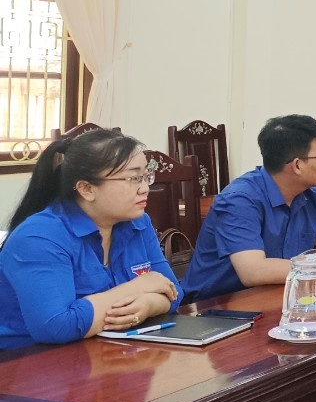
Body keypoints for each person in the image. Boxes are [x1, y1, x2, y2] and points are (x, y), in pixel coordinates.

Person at [183, 114, 316, 301]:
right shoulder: (240, 200)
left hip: (279, 295)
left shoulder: (313, 194)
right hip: (214, 308)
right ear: (297, 165)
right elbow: (253, 271)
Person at [0, 130, 183, 350]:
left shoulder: (137, 222)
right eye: (134, 178)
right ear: (86, 189)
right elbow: (56, 326)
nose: (145, 188)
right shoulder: (39, 237)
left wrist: (150, 304)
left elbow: (174, 291)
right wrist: (137, 287)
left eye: (146, 175)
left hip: (108, 350)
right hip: (30, 360)